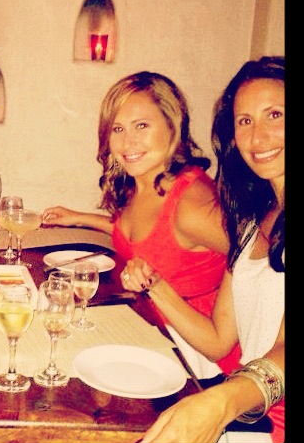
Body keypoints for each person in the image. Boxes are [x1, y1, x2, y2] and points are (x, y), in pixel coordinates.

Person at [42, 71, 241, 378]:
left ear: (172, 125)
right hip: (152, 329)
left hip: (202, 361)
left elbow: (256, 254)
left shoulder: (192, 204)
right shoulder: (143, 182)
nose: (127, 141)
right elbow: (147, 238)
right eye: (118, 128)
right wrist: (80, 218)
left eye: (142, 126)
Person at [135, 56, 285, 443]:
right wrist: (154, 284)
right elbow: (219, 340)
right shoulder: (252, 221)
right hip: (249, 414)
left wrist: (221, 403)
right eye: (245, 121)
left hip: (265, 421)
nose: (258, 137)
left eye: (274, 115)